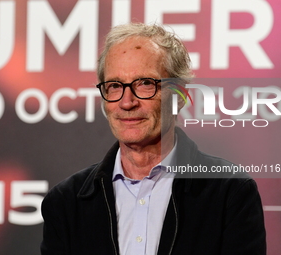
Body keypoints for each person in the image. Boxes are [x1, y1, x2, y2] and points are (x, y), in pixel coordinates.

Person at [40, 23, 266, 255]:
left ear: (180, 97)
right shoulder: (65, 203)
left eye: (146, 84)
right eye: (115, 86)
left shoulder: (230, 192)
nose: (127, 102)